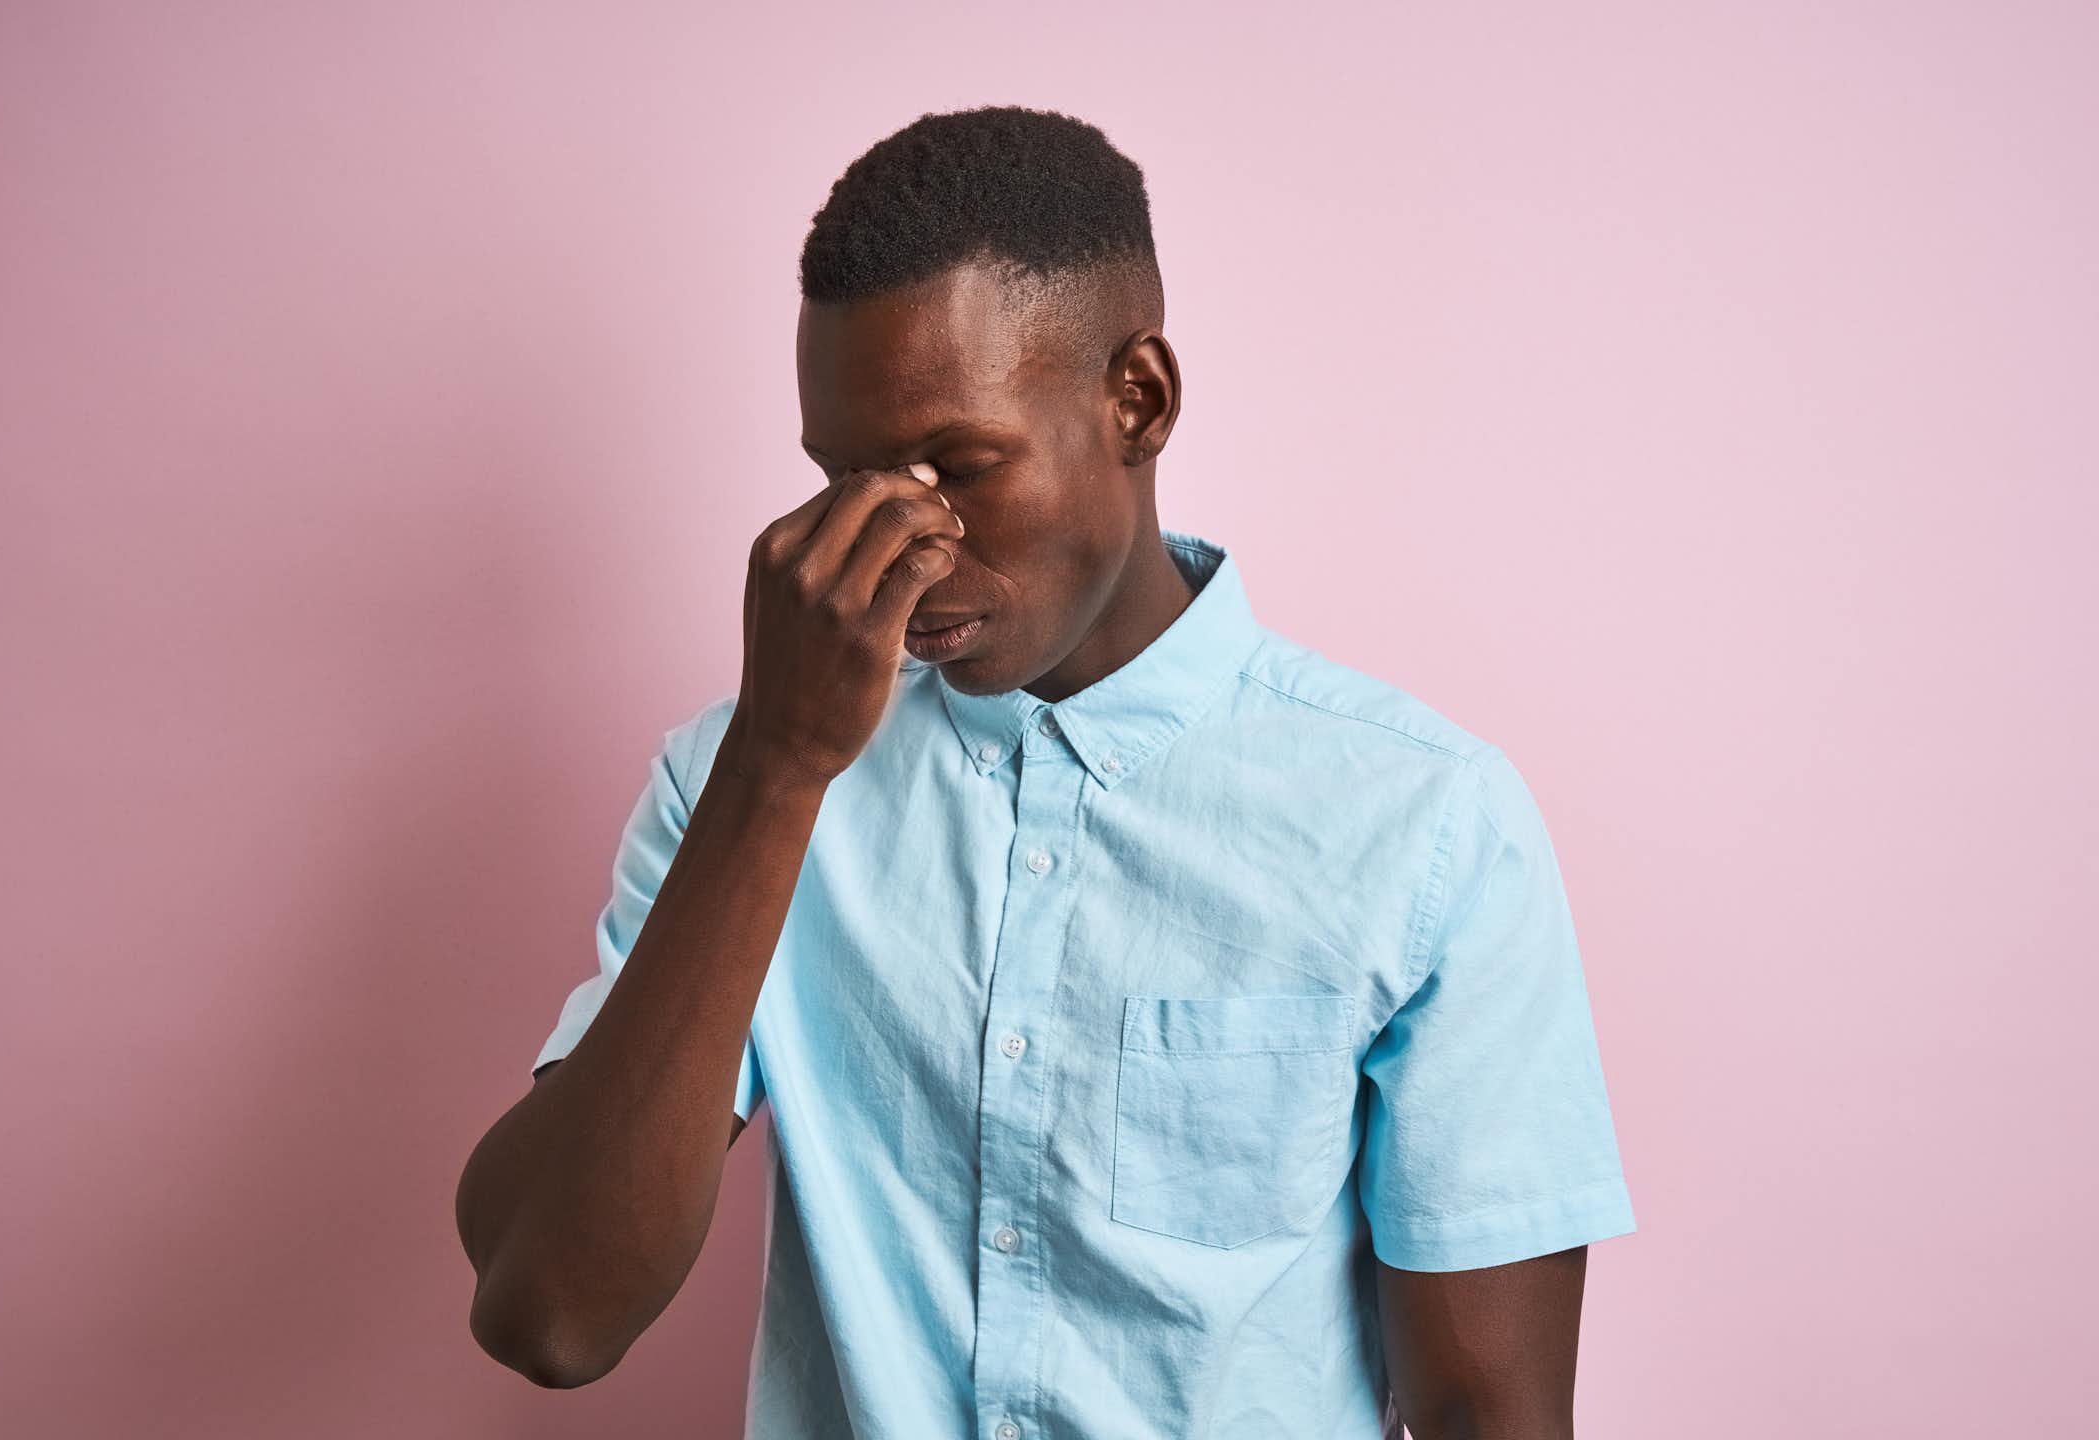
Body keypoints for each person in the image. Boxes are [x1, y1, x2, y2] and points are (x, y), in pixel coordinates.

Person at [454, 103, 1636, 1437]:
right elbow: (550, 1311)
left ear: (1137, 400)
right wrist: (776, 772)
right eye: (845, 479)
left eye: (957, 466)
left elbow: (1495, 1413)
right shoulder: (739, 786)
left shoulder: (1422, 823)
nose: (897, 541)